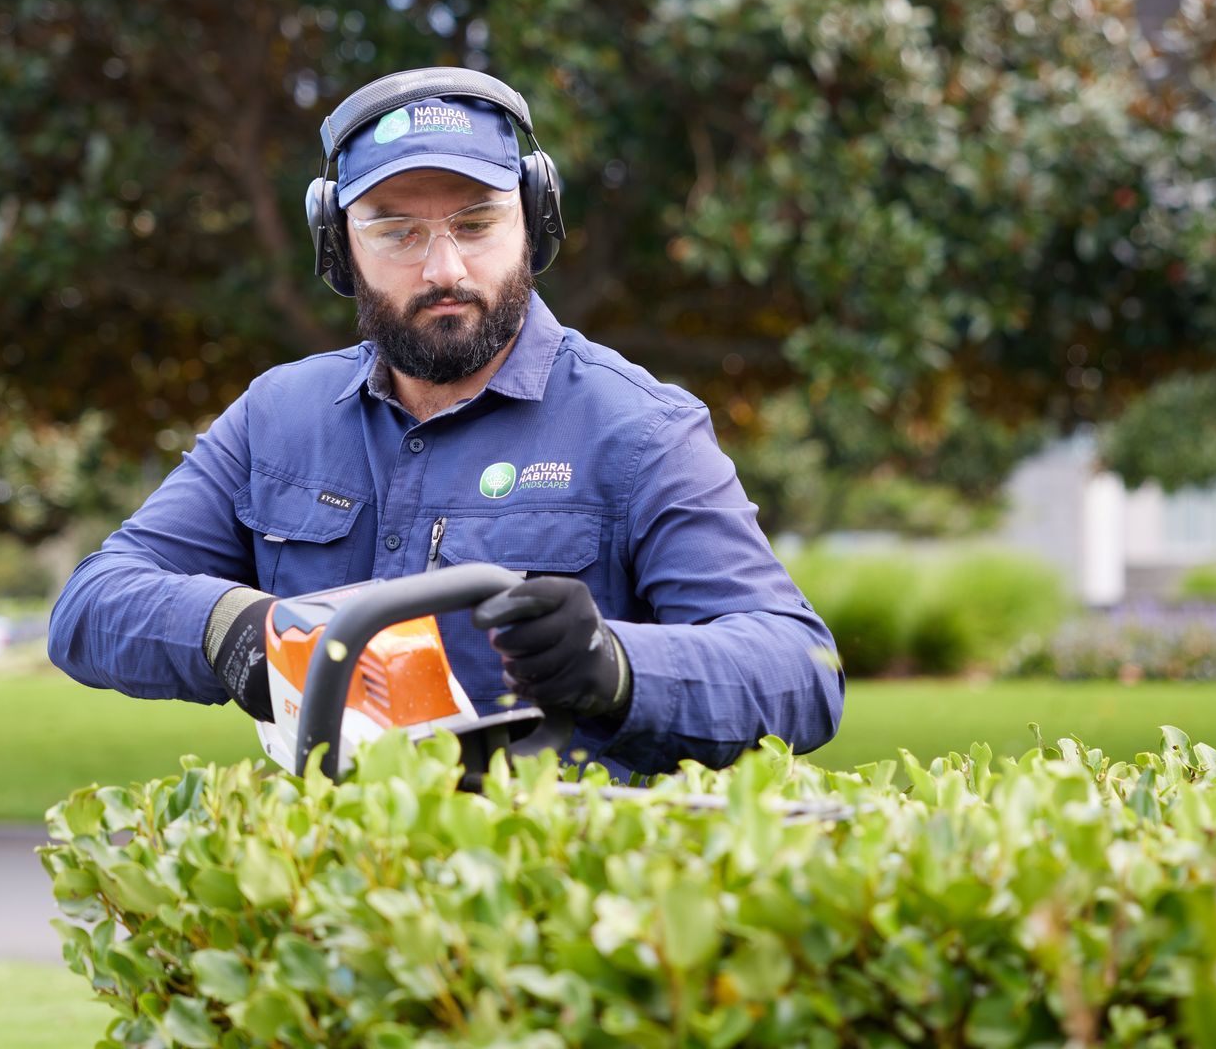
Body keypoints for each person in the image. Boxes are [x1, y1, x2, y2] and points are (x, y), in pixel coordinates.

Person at [47, 68, 844, 777]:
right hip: (327, 882)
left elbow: (802, 670)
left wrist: (617, 664)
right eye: (396, 231)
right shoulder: (276, 418)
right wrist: (242, 630)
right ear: (338, 248)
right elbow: (92, 604)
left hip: (550, 881)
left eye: (476, 222)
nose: (444, 269)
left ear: (533, 221)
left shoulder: (640, 429)